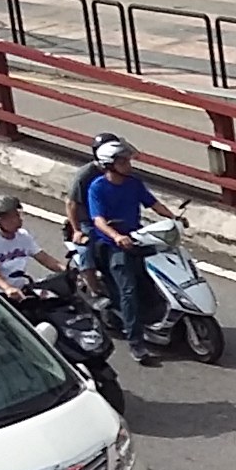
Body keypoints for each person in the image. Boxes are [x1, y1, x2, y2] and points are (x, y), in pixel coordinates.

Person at [72, 139, 180, 362]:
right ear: (110, 165)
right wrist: (116, 236)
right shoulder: (97, 188)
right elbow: (99, 220)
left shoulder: (134, 183)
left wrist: (174, 217)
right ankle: (136, 343)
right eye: (123, 162)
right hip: (112, 245)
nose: (128, 165)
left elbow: (153, 204)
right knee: (128, 290)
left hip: (137, 238)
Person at [0, 194, 57, 309]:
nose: (18, 219)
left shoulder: (23, 236)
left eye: (18, 215)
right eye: (12, 217)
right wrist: (7, 288)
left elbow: (44, 258)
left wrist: (70, 271)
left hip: (20, 291)